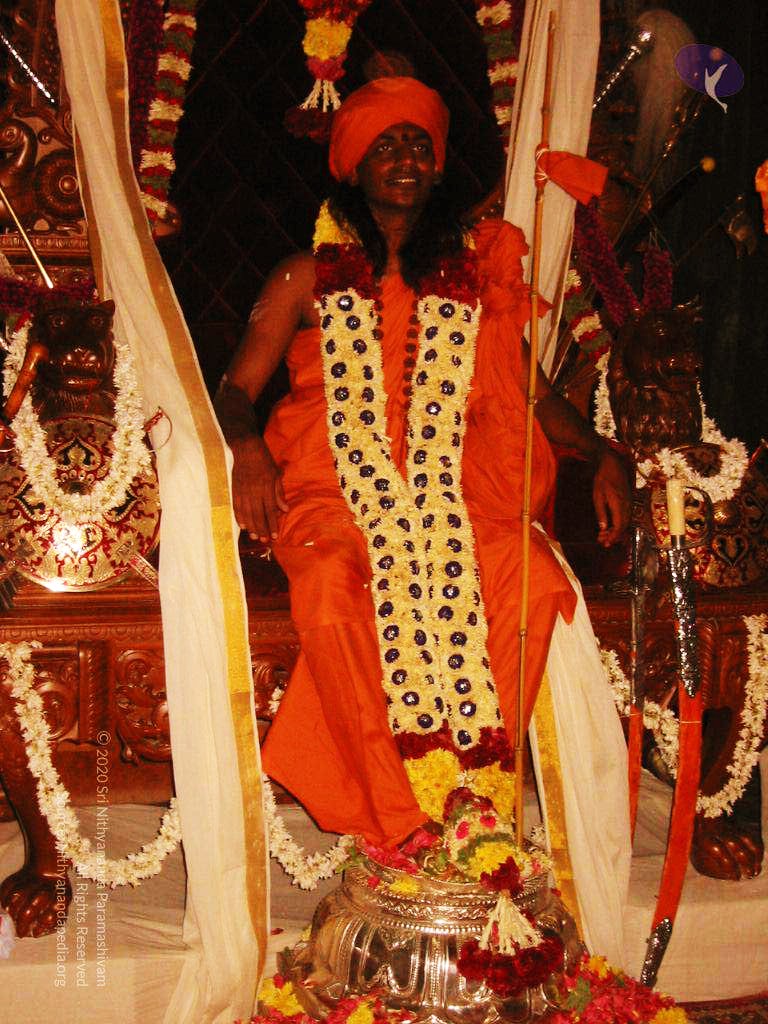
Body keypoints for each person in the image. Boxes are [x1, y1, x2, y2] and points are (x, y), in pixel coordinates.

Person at [214, 76, 630, 849]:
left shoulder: (472, 281)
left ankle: (476, 786)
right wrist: (247, 450)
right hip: (332, 489)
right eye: (385, 145)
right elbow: (235, 390)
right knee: (331, 586)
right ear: (353, 167)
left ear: (437, 168)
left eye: (418, 145)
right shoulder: (303, 275)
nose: (404, 158)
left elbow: (536, 395)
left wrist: (603, 452)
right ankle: (405, 824)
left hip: (447, 494)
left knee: (531, 574)